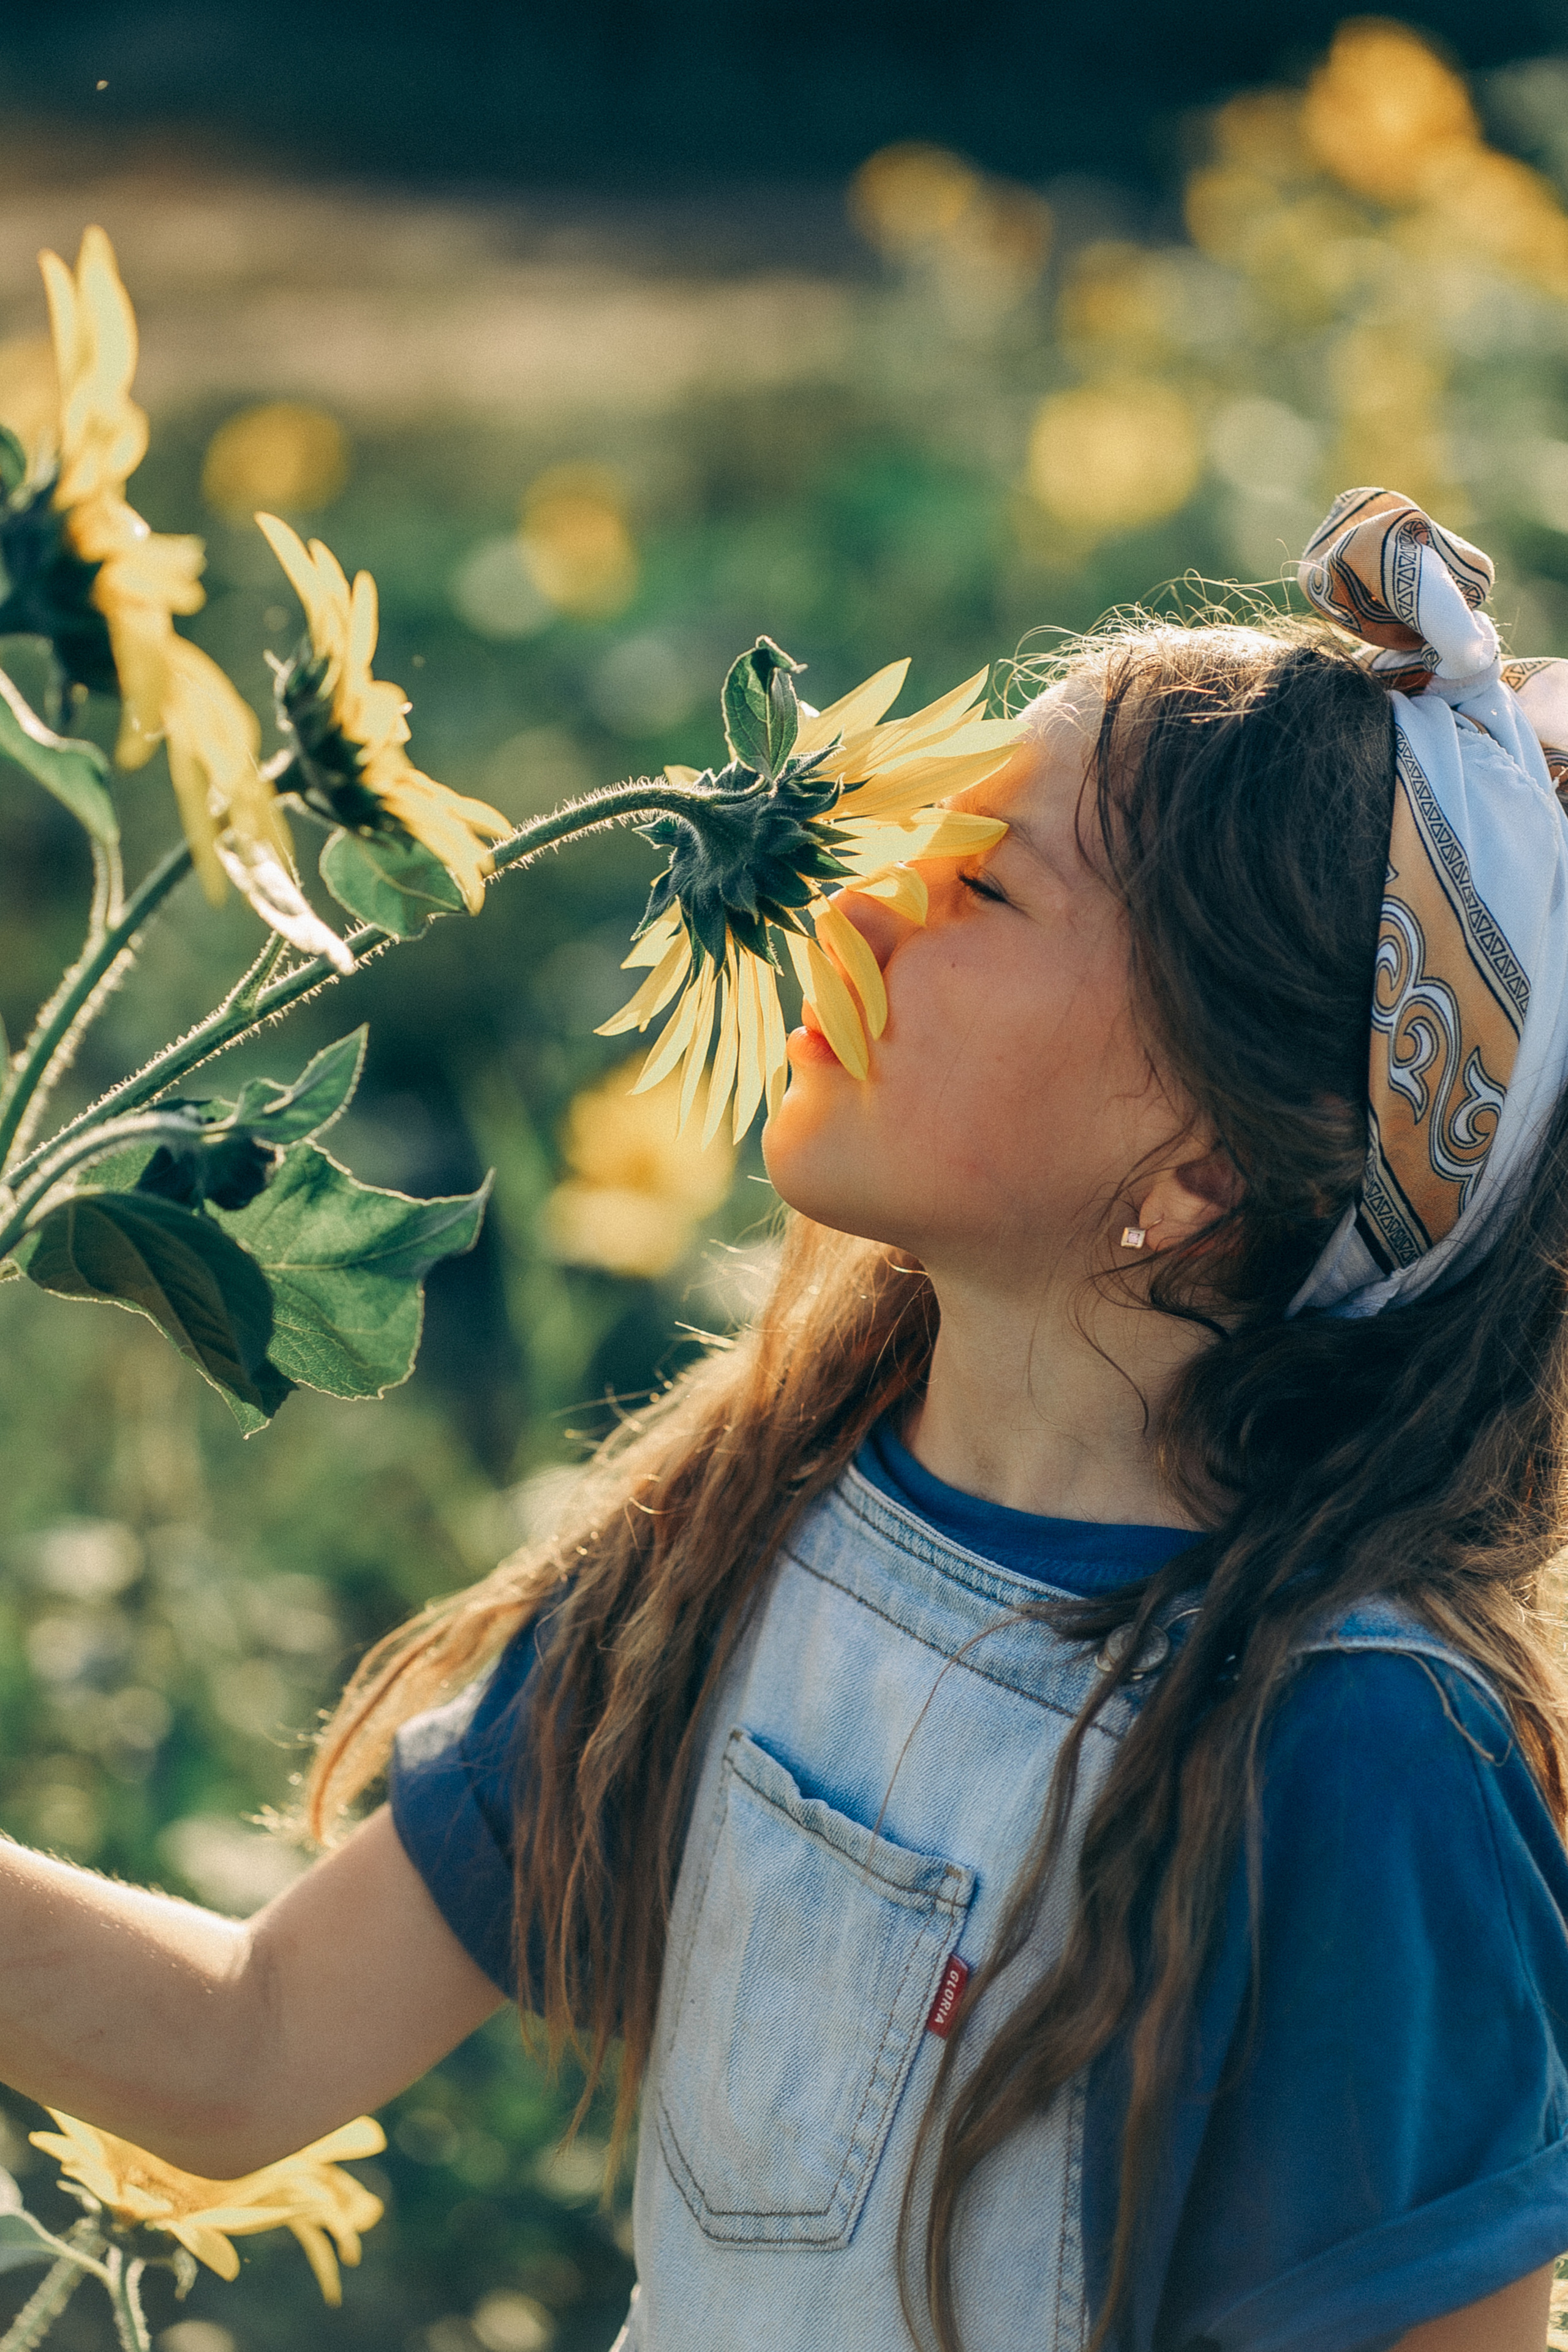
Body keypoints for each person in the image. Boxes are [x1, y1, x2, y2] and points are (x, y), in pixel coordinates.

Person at [2, 487, 1568, 2352]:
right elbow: (246, 2049)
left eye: (982, 883)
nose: (859, 895)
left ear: (1199, 1174)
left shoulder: (1352, 1752)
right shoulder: (738, 1540)